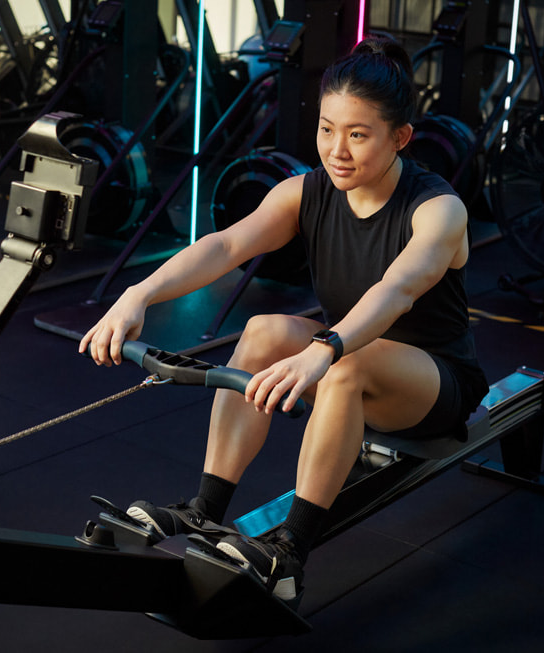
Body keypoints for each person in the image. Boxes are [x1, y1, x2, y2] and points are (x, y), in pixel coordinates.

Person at [79, 36, 489, 603]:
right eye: (327, 129)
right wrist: (138, 294)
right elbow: (225, 246)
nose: (337, 150)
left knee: (346, 365)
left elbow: (397, 289)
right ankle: (206, 508)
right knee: (263, 330)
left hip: (433, 384)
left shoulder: (439, 209)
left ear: (401, 138)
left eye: (358, 134)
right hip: (345, 357)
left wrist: (324, 350)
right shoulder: (306, 192)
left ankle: (290, 555)